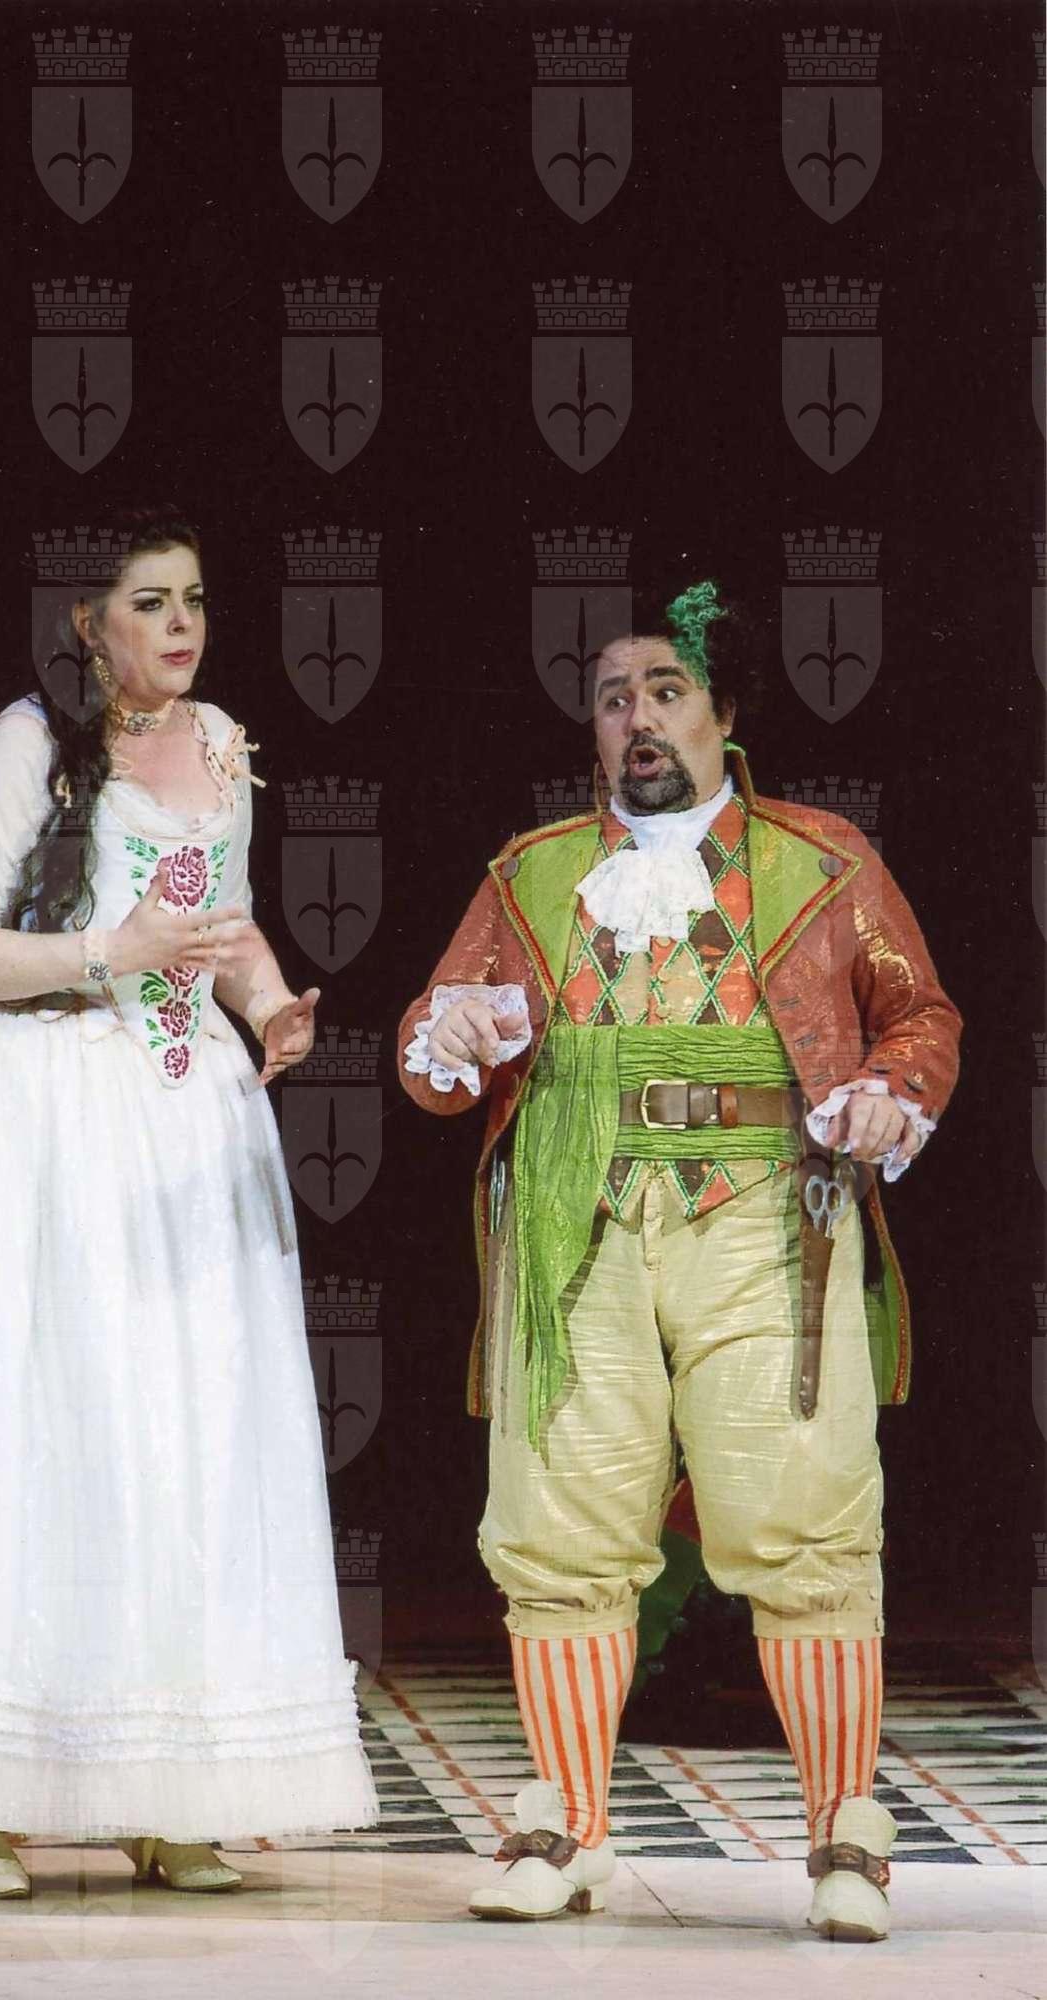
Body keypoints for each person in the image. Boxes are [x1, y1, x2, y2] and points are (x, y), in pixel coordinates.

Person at [397, 581, 961, 1941]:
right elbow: (433, 1041)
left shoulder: (820, 861)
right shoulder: (533, 873)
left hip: (764, 1209)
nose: (637, 719)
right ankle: (566, 1826)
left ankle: (844, 1833)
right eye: (613, 699)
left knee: (801, 1511)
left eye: (665, 690)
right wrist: (450, 1033)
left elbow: (919, 1016)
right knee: (561, 1520)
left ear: (725, 711)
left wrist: (890, 1093)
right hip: (573, 1219)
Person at [0, 504, 378, 1897]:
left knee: (183, 1437)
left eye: (194, 599)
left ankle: (171, 1787)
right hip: (37, 1112)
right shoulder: (24, 745)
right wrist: (113, 951)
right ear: (88, 625)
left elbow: (223, 927)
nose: (180, 625)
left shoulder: (219, 744)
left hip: (172, 1116)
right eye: (149, 602)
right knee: (43, 1429)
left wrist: (267, 1005)